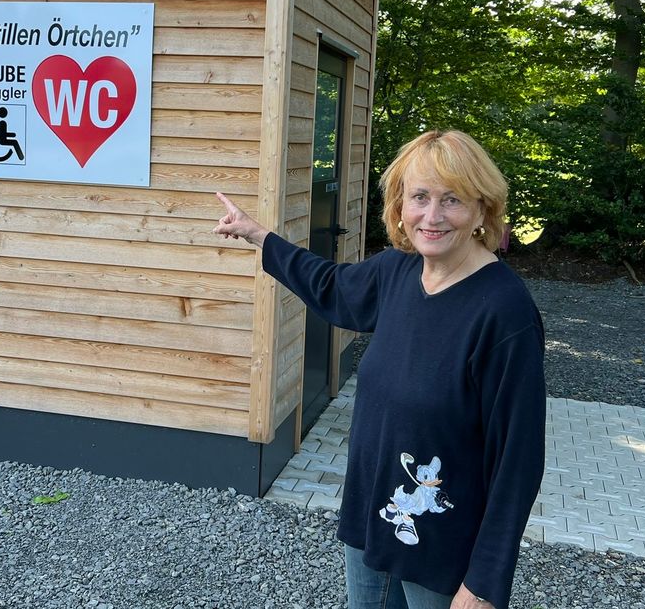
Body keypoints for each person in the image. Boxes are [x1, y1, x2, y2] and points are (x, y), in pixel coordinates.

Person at [213, 129, 545, 609]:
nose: (432, 216)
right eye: (420, 197)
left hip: (444, 549)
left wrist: (485, 583)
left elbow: (518, 459)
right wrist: (257, 235)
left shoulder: (504, 313)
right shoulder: (397, 272)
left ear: (481, 209)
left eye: (452, 200)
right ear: (400, 204)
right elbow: (328, 285)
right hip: (373, 524)